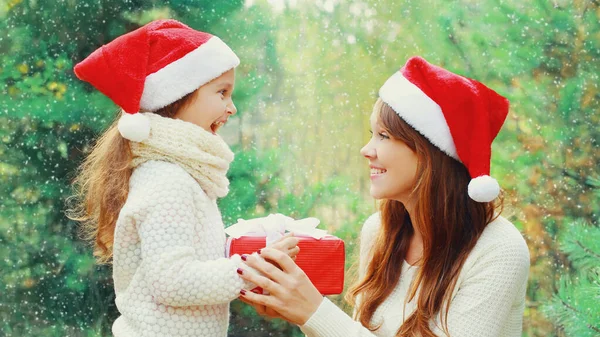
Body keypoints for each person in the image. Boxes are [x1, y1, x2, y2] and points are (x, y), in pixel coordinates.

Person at [236, 56, 530, 337]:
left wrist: (313, 311)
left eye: (384, 136)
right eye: (371, 134)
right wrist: (297, 309)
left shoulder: (499, 250)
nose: (367, 149)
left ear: (431, 154)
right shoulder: (379, 232)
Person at [68, 19, 298, 337]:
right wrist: (252, 268)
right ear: (176, 97)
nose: (231, 108)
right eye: (222, 92)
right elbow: (173, 282)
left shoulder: (180, 174)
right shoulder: (168, 180)